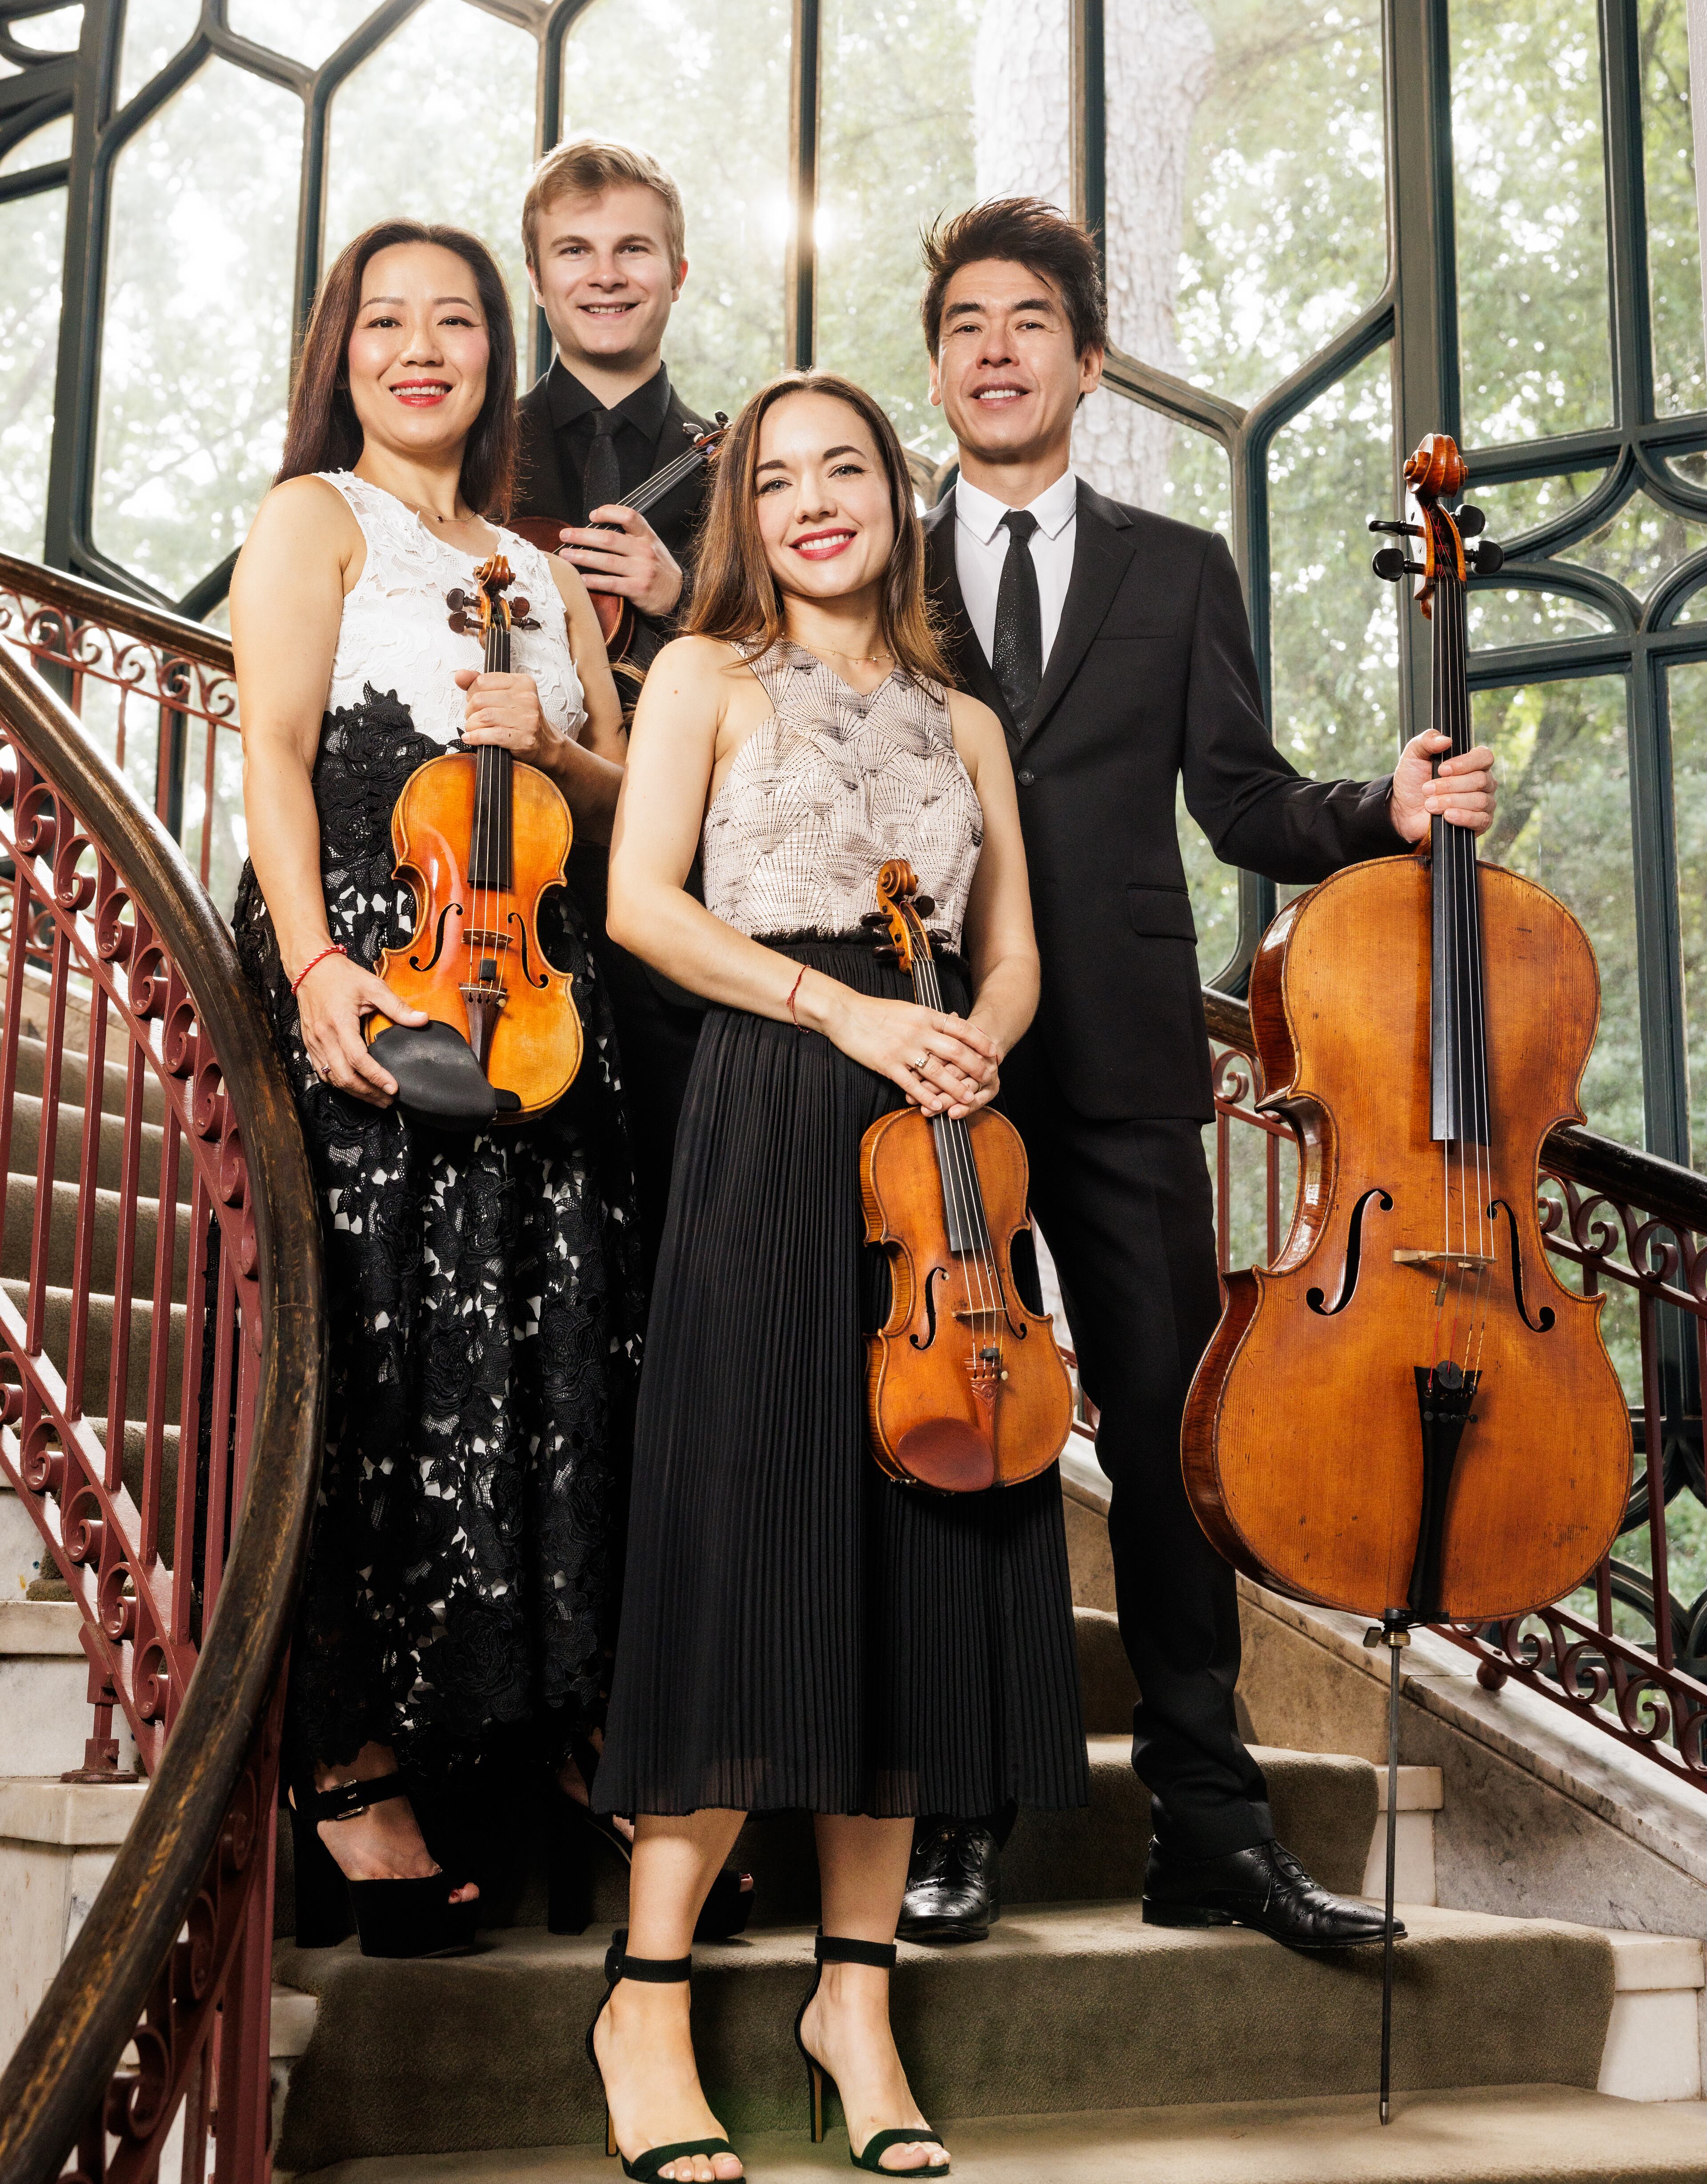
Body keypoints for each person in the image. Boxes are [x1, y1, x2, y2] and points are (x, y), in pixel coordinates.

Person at [901, 197, 1498, 1950]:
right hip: (930, 1053)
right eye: (964, 324)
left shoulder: (1175, 567)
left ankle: (1213, 1823)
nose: (996, 348)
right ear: (934, 369)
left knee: (1169, 1430)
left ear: (1088, 360)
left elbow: (1240, 798)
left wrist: (1384, 807)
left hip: (1128, 1059)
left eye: (1029, 320)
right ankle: (958, 1808)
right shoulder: (875, 565)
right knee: (966, 1424)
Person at [586, 371, 1088, 2182]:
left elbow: (1011, 948)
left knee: (919, 1563)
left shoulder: (969, 719)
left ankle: (852, 2002)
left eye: (847, 468)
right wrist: (845, 1010)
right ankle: (647, 1998)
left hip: (932, 1144)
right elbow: (644, 903)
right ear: (749, 513)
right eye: (779, 477)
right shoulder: (701, 676)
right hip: (772, 1101)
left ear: (897, 494)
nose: (814, 500)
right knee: (746, 1543)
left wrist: (972, 1038)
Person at [229, 218, 645, 1957]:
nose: (421, 347)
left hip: (537, 991)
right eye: (387, 320)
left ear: (495, 352)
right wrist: (316, 963)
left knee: (559, 1362)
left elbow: (622, 796)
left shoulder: (541, 569)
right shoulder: (314, 517)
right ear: (344, 350)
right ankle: (351, 1760)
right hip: (374, 966)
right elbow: (272, 747)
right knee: (386, 1356)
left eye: (456, 319)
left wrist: (553, 742)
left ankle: (551, 1738)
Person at [513, 137, 715, 1263]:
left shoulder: (743, 471)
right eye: (574, 250)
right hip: (494, 877)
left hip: (683, 894)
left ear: (677, 270)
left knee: (678, 1215)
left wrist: (680, 601)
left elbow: (804, 678)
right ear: (536, 275)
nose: (605, 274)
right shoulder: (469, 448)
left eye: (634, 248)